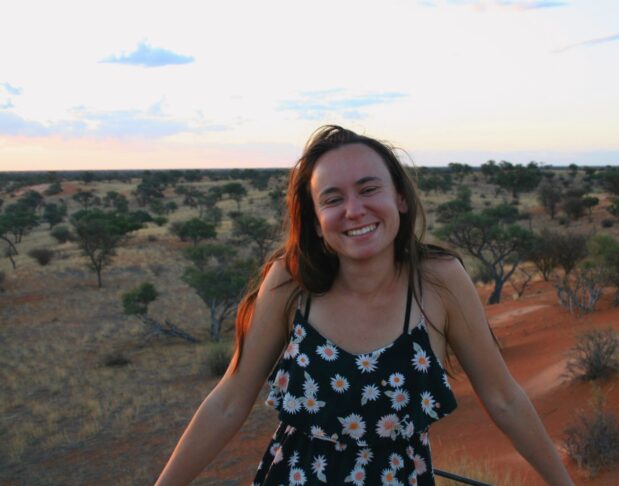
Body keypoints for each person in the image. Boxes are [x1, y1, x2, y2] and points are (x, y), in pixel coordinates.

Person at [156, 125, 573, 485]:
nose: (354, 211)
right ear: (316, 220)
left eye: (369, 189)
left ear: (401, 199)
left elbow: (504, 399)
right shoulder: (290, 281)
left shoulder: (439, 281)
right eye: (333, 199)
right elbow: (229, 400)